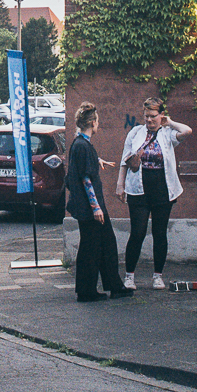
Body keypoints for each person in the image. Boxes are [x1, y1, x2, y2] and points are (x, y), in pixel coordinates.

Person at [120, 96, 191, 290]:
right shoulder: (135, 133)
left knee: (160, 233)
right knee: (137, 233)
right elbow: (124, 160)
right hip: (138, 189)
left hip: (162, 189)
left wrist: (170, 123)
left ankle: (157, 276)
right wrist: (120, 185)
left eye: (153, 116)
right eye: (146, 117)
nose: (149, 120)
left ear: (161, 115)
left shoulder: (168, 134)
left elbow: (187, 131)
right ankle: (129, 276)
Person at [68, 105, 127, 302]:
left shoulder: (80, 143)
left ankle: (110, 286)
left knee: (101, 245)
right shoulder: (83, 146)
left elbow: (84, 164)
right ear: (93, 123)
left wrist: (98, 160)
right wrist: (96, 207)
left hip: (87, 207)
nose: (98, 124)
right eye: (98, 121)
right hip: (91, 208)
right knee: (94, 247)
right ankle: (89, 291)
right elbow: (86, 179)